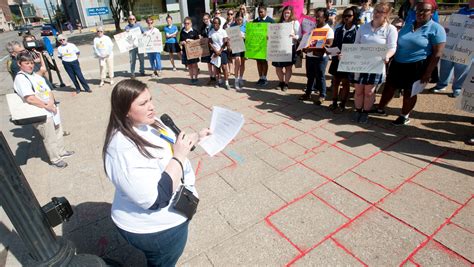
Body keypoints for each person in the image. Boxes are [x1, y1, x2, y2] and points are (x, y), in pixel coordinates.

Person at [102, 79, 211, 267]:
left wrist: (197, 138)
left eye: (150, 99)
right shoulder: (122, 148)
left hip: (174, 211)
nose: (152, 107)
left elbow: (173, 144)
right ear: (124, 110)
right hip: (157, 230)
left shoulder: (152, 122)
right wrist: (178, 157)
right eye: (143, 103)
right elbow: (155, 200)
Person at [377, 0, 446, 126]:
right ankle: (380, 107)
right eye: (418, 10)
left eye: (424, 10)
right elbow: (397, 43)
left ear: (432, 12)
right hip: (398, 63)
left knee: (410, 92)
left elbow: (437, 54)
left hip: (417, 65)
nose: (420, 13)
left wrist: (427, 73)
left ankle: (404, 115)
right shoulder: (408, 25)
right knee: (389, 87)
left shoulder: (436, 29)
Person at [14, 52, 74, 168]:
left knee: (58, 131)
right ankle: (55, 159)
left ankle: (61, 151)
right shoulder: (21, 78)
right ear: (19, 64)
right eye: (27, 63)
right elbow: (30, 98)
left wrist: (51, 103)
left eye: (31, 63)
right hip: (41, 112)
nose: (30, 65)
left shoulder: (36, 76)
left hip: (51, 108)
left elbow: (48, 91)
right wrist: (46, 105)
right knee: (49, 136)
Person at [350, 2, 397, 123]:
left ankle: (365, 112)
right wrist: (347, 56)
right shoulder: (363, 27)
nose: (377, 13)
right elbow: (356, 44)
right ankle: (358, 110)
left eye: (381, 11)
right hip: (360, 64)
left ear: (387, 14)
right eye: (376, 10)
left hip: (376, 65)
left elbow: (392, 47)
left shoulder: (390, 29)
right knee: (359, 90)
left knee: (369, 92)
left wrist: (387, 56)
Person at [429, 4, 473, 98]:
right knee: (445, 64)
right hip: (452, 43)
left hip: (467, 46)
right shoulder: (461, 11)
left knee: (461, 68)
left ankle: (458, 88)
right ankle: (441, 85)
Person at [300, 8, 334, 105]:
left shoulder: (329, 30)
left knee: (320, 76)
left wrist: (316, 46)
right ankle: (308, 93)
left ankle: (322, 95)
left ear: (325, 18)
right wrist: (305, 47)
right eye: (316, 16)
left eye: (319, 17)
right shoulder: (312, 28)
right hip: (310, 56)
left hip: (321, 58)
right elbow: (307, 39)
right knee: (310, 76)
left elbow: (329, 44)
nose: (316, 19)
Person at [328, 7, 358, 113]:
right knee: (335, 82)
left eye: (349, 15)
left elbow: (358, 48)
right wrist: (329, 50)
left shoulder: (357, 31)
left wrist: (347, 55)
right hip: (337, 59)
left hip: (348, 61)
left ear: (354, 16)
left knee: (345, 83)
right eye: (344, 15)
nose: (346, 18)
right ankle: (334, 102)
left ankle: (343, 104)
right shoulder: (339, 29)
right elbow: (335, 43)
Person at [272, 6, 301, 92]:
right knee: (278, 68)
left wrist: (294, 36)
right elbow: (274, 34)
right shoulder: (279, 23)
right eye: (285, 13)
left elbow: (299, 35)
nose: (286, 14)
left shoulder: (295, 23)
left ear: (291, 13)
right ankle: (281, 82)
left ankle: (286, 83)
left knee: (288, 67)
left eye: (288, 13)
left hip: (290, 47)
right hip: (279, 48)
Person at [254, 5, 275, 86]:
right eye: (259, 12)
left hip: (266, 45)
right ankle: (260, 77)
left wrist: (269, 36)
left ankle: (265, 78)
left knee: (264, 61)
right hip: (257, 45)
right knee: (258, 62)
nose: (260, 13)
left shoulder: (270, 21)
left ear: (266, 11)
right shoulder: (255, 21)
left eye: (261, 12)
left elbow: (275, 32)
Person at [209, 17, 231, 90]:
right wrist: (215, 51)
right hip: (215, 52)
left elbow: (225, 42)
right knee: (217, 68)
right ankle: (219, 81)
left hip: (222, 51)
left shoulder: (223, 31)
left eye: (217, 23)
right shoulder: (211, 32)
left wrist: (220, 51)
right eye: (214, 23)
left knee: (224, 67)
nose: (215, 24)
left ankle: (227, 82)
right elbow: (210, 42)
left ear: (219, 24)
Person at [180, 17, 200, 84]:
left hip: (194, 51)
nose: (186, 25)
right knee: (189, 66)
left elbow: (198, 42)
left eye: (188, 23)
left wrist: (191, 41)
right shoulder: (182, 32)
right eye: (185, 23)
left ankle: (196, 78)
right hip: (186, 51)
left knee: (195, 65)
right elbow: (180, 41)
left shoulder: (194, 31)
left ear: (191, 24)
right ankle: (191, 78)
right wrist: (182, 42)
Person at [231, 11, 246, 90]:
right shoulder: (232, 26)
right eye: (237, 19)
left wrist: (244, 36)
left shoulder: (246, 25)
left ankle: (241, 78)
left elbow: (250, 35)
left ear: (243, 19)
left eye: (240, 20)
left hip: (244, 45)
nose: (239, 21)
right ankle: (236, 80)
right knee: (237, 61)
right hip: (236, 45)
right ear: (235, 19)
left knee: (242, 62)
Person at [200, 13, 215, 84]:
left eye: (206, 19)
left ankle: (216, 76)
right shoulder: (203, 27)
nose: (205, 20)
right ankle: (211, 77)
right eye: (204, 19)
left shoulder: (213, 26)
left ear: (209, 18)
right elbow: (201, 35)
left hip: (214, 47)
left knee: (214, 62)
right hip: (206, 48)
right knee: (208, 63)